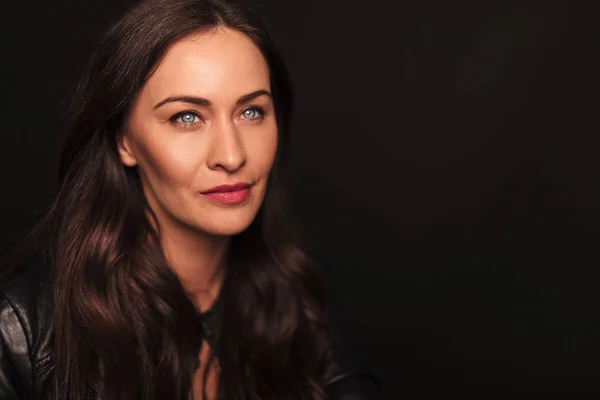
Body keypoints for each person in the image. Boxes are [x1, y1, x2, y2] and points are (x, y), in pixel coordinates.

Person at [0, 0, 380, 399]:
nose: (232, 156)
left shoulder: (303, 305)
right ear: (123, 140)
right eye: (187, 117)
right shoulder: (19, 330)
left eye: (251, 111)